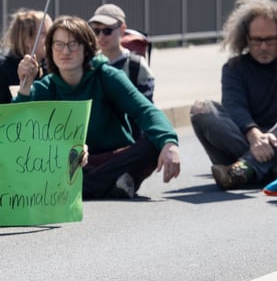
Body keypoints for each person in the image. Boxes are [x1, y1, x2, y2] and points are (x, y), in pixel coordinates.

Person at [14, 16, 180, 198]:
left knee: (152, 145)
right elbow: (17, 131)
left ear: (86, 48)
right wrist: (25, 87)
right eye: (59, 45)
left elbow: (144, 110)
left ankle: (81, 188)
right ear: (50, 49)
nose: (65, 51)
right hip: (70, 163)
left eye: (73, 44)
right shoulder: (47, 86)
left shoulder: (107, 76)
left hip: (113, 159)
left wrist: (169, 142)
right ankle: (110, 185)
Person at [190, 0, 277, 190]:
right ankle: (263, 167)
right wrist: (255, 136)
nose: (263, 47)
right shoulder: (234, 68)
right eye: (257, 40)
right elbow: (234, 106)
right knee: (201, 109)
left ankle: (247, 168)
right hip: (246, 140)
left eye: (270, 40)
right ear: (246, 38)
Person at [88, 3, 155, 102]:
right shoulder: (88, 64)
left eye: (107, 31)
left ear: (122, 29)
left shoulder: (137, 66)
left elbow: (145, 107)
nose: (101, 37)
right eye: (96, 31)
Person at [1, 9, 51, 105]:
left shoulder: (51, 69)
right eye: (45, 33)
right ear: (27, 39)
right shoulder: (3, 70)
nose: (52, 39)